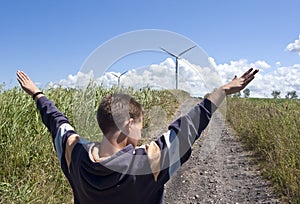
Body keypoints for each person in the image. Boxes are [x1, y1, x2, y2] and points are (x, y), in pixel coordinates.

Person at [17, 68, 258, 204]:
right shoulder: (145, 166)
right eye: (140, 125)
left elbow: (57, 123)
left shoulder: (76, 156)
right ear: (129, 123)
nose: (141, 133)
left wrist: (37, 94)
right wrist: (222, 91)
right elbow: (187, 129)